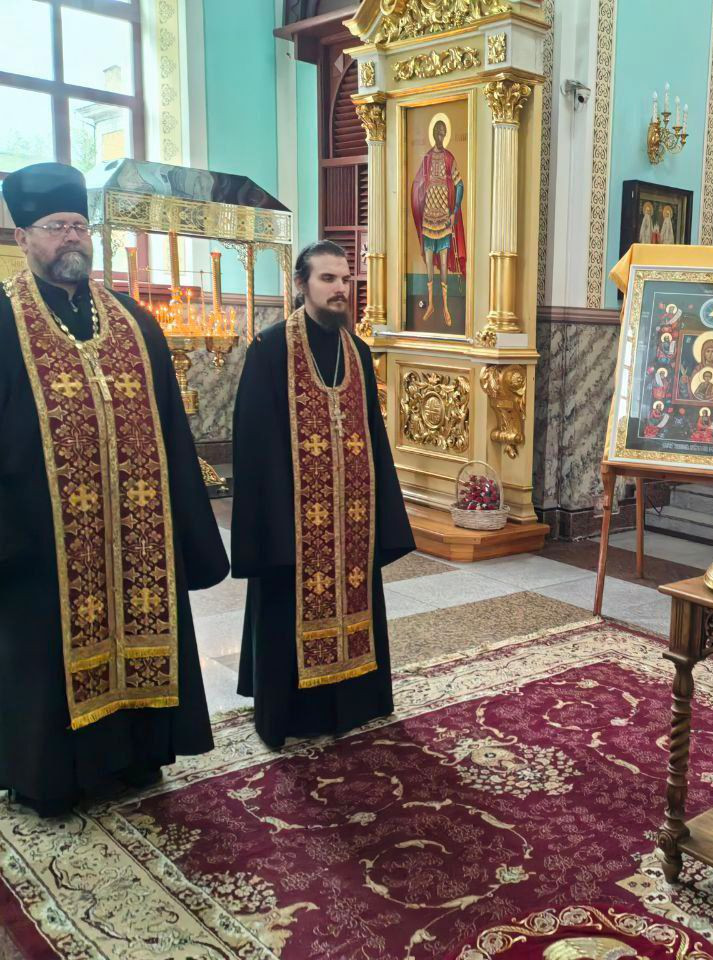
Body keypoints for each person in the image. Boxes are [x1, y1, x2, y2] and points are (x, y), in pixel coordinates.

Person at [0, 162, 228, 816]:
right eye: (56, 226)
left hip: (138, 538)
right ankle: (49, 777)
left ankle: (137, 755)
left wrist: (187, 529)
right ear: (23, 237)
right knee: (44, 656)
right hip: (41, 542)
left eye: (80, 225)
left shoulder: (132, 321)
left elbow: (173, 436)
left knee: (140, 633)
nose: (72, 237)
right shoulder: (5, 322)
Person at [231, 241, 414, 750]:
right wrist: (274, 525)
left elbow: (374, 436)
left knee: (356, 597)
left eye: (345, 280)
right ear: (301, 284)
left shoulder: (357, 352)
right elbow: (254, 445)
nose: (340, 290)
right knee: (286, 607)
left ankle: (356, 702)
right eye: (328, 279)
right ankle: (290, 713)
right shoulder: (270, 350)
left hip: (351, 517)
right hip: (292, 520)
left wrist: (383, 513)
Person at [410, 119, 466, 327]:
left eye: (443, 132)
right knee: (429, 264)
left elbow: (460, 185)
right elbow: (417, 184)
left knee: (443, 265)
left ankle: (445, 306)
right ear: (433, 134)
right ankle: (431, 304)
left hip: (444, 219)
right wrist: (419, 196)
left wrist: (454, 211)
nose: (440, 136)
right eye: (438, 132)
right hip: (427, 219)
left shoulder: (449, 158)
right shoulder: (426, 158)